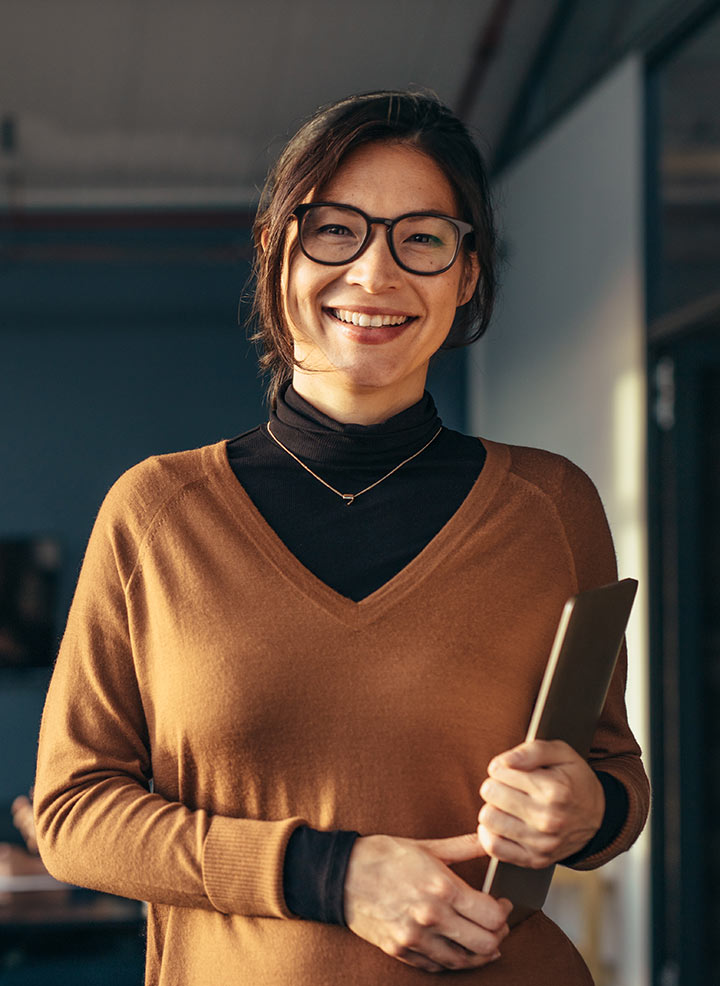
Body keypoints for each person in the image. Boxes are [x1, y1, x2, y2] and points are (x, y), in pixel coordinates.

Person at [33, 90, 649, 985]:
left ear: (466, 275)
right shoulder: (156, 512)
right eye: (336, 230)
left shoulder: (549, 504)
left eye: (424, 237)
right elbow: (72, 816)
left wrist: (585, 810)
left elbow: (611, 776)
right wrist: (331, 874)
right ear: (278, 254)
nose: (375, 274)